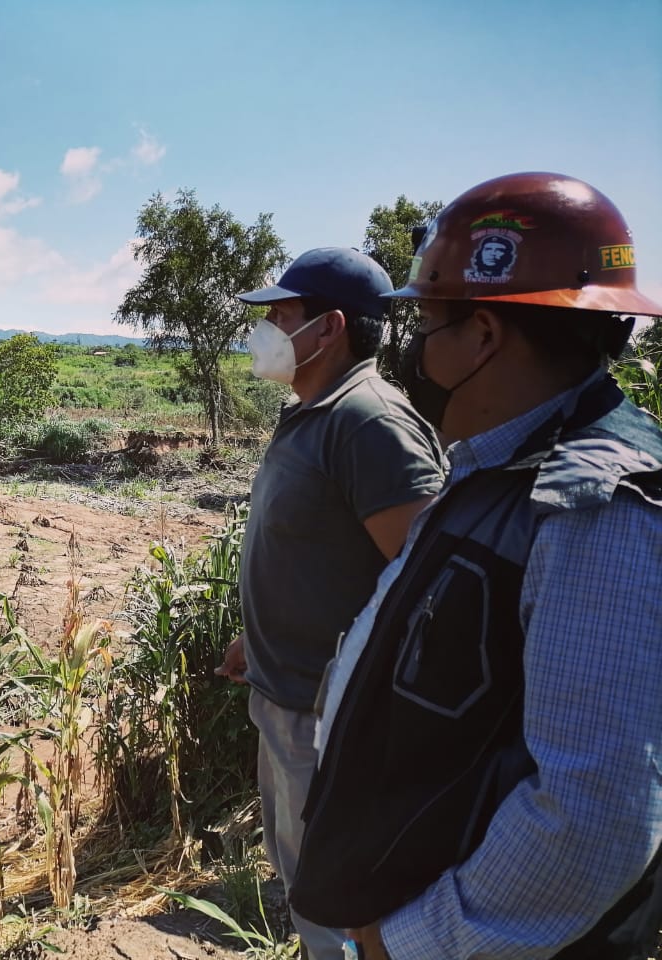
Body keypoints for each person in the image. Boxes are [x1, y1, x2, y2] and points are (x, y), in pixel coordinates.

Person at [292, 172, 662, 959]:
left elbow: (595, 817)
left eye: (427, 324)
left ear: (484, 337)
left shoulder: (594, 508)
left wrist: (414, 942)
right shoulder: (499, 466)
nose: (415, 352)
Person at [216, 247, 444, 960]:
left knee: (339, 908)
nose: (266, 329)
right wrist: (258, 636)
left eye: (281, 315)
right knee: (306, 888)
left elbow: (432, 588)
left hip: (332, 725)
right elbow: (322, 554)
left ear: (330, 327)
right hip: (287, 697)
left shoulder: (370, 424)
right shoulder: (316, 411)